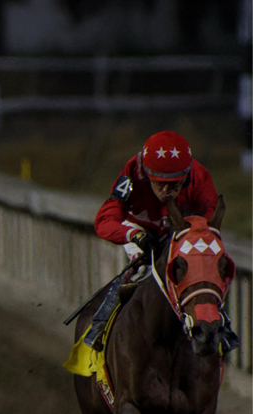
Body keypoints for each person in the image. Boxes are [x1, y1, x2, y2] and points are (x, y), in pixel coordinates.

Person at [84, 130, 235, 350]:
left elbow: (209, 222)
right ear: (145, 174)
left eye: (175, 185)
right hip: (140, 229)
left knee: (205, 271)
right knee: (140, 270)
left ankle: (222, 325)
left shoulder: (199, 177)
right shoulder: (132, 173)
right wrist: (134, 235)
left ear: (186, 175)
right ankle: (100, 326)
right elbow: (105, 220)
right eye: (159, 184)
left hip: (182, 230)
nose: (167, 192)